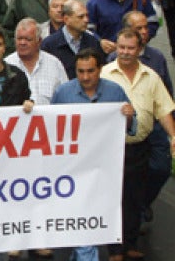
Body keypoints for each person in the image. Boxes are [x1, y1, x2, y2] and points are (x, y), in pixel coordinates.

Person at [50, 49, 137, 261]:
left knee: (98, 215)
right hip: (73, 169)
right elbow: (51, 128)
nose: (86, 77)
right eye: (80, 72)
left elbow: (131, 127)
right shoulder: (63, 93)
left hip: (104, 169)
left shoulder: (115, 91)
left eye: (90, 71)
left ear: (100, 70)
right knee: (82, 216)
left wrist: (128, 116)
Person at [100, 28, 175, 260]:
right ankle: (113, 249)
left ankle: (129, 243)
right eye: (121, 47)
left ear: (139, 49)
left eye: (130, 48)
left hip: (139, 147)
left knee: (135, 199)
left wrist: (173, 136)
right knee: (112, 198)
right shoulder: (104, 74)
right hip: (109, 149)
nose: (124, 52)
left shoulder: (151, 76)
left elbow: (163, 109)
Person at [5, 18, 68, 105]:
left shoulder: (54, 64)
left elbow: (66, 97)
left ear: (39, 41)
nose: (22, 43)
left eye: (28, 39)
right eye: (19, 39)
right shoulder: (6, 64)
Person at [41, 0, 106, 79]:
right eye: (81, 17)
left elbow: (101, 69)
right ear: (66, 19)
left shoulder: (93, 42)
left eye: (87, 16)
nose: (86, 20)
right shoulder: (49, 45)